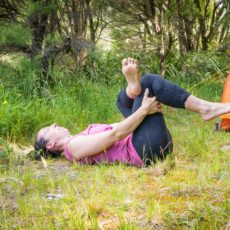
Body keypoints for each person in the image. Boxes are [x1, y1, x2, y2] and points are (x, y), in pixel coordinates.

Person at [34, 58, 230, 167]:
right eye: (47, 129)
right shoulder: (73, 146)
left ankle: (133, 89)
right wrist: (144, 110)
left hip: (147, 143)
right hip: (145, 151)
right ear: (50, 144)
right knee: (149, 82)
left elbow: (118, 128)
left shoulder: (78, 139)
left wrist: (139, 109)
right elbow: (115, 134)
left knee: (122, 99)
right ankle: (207, 109)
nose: (52, 125)